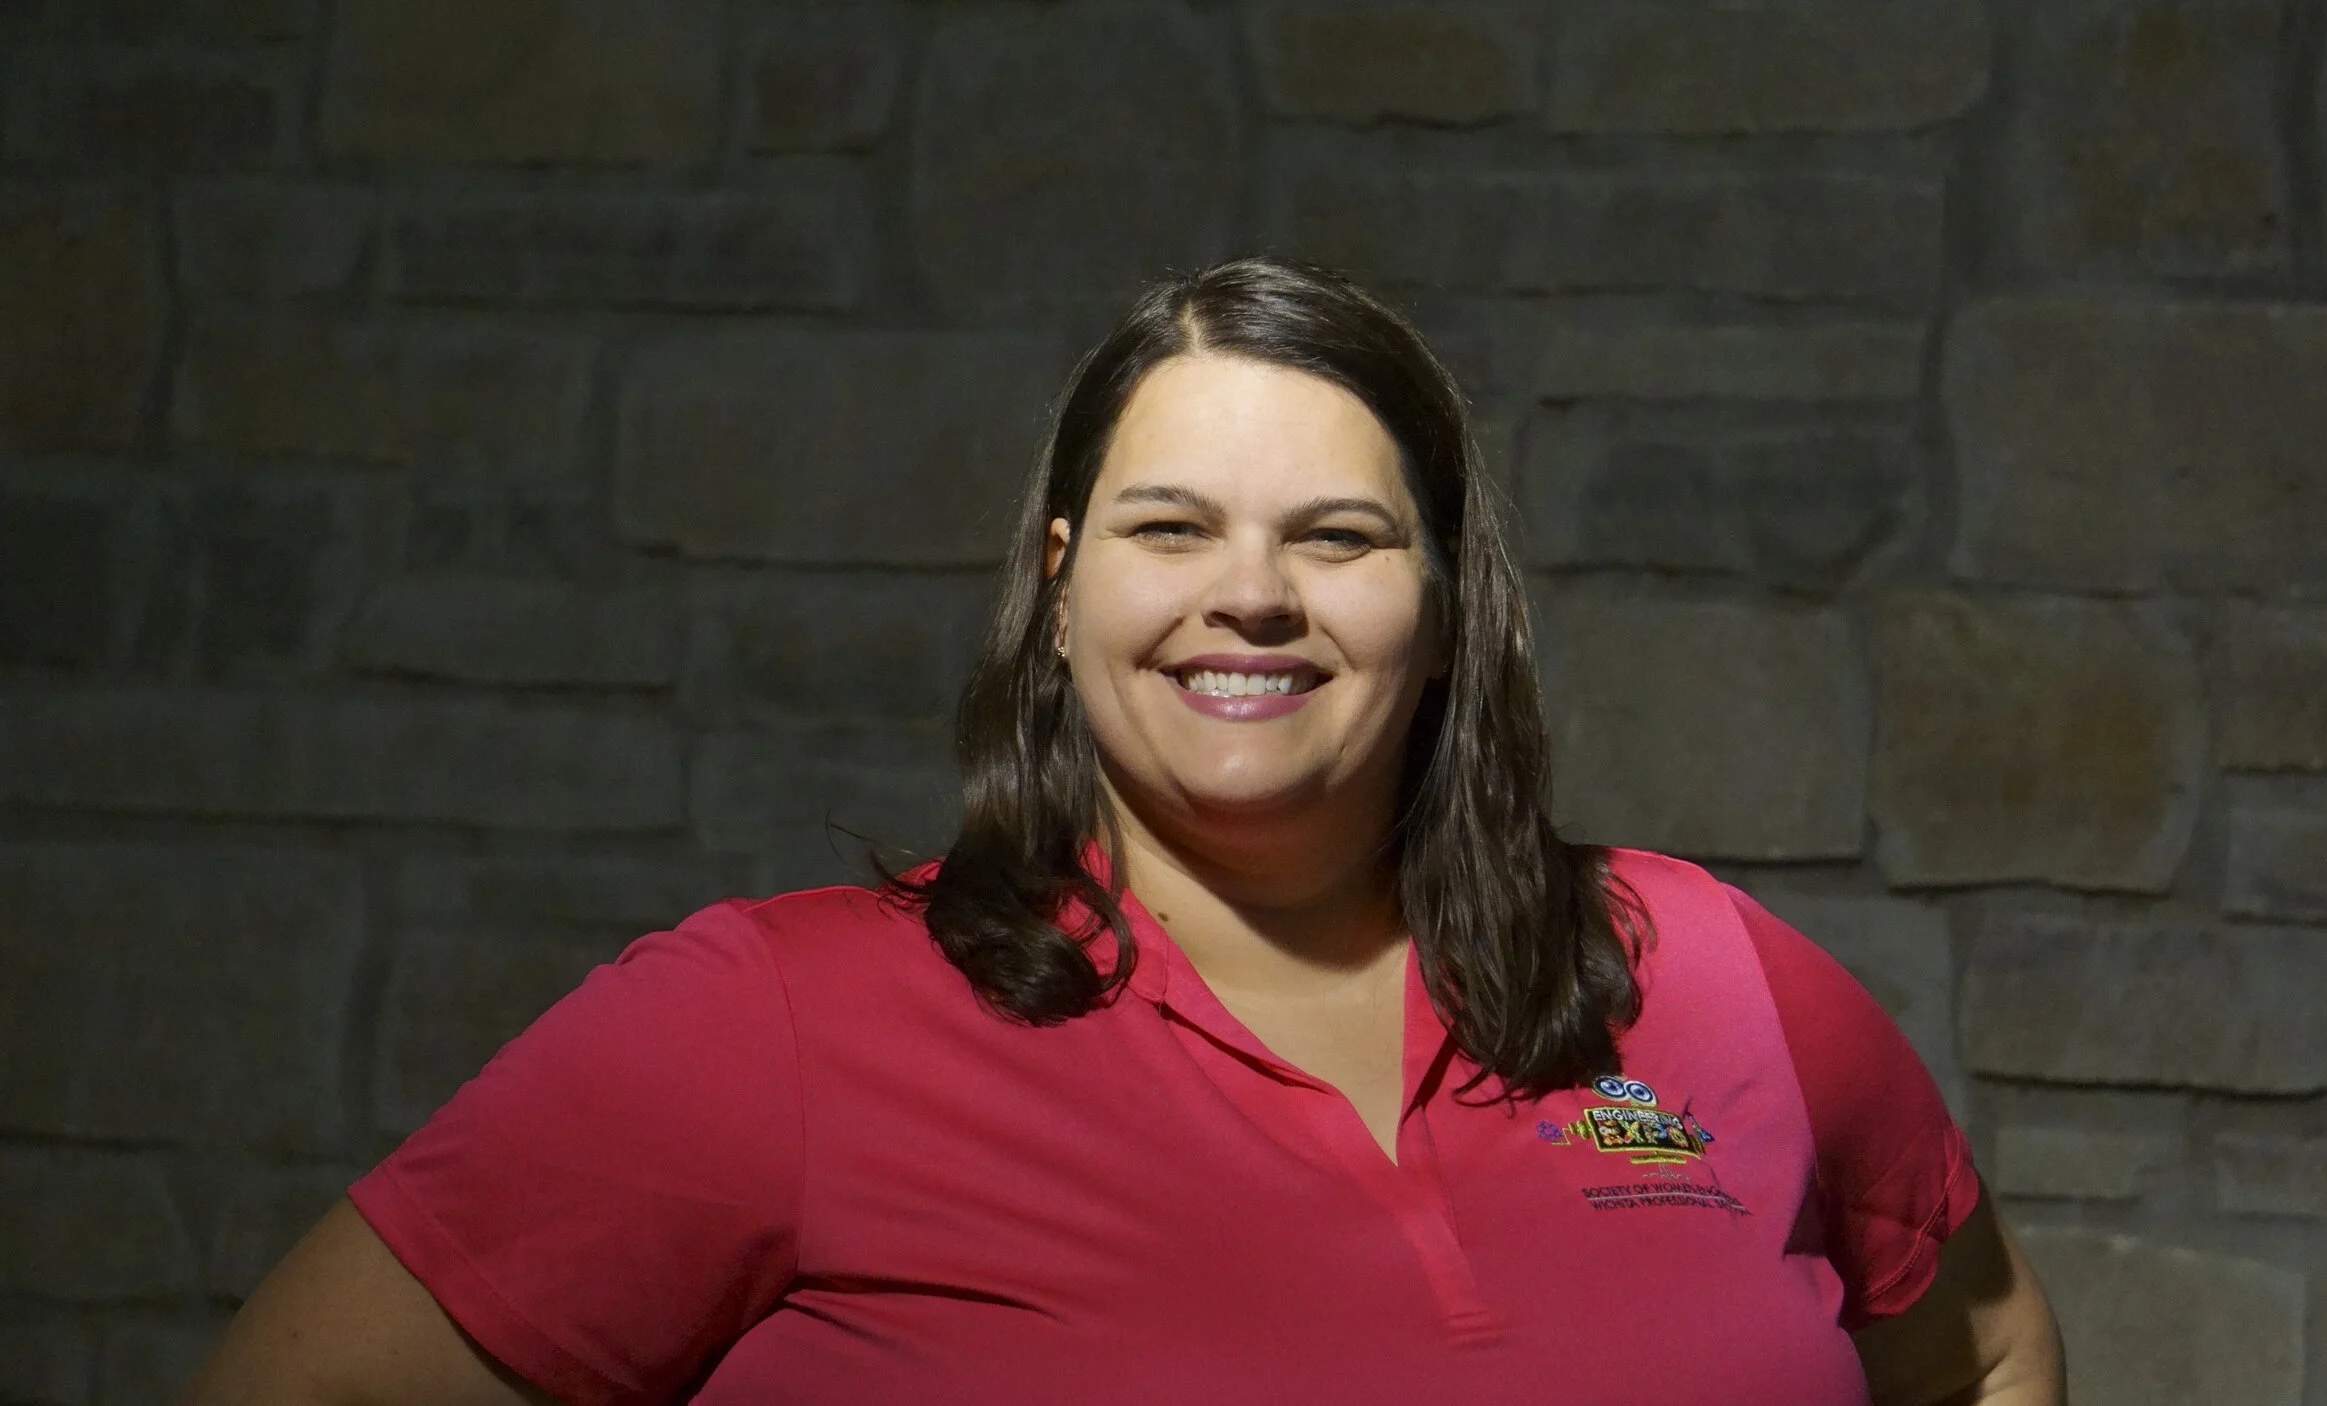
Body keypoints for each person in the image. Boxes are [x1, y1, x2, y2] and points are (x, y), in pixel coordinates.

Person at [186, 258, 2064, 1405]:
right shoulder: (769, 1023)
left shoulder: (1707, 974)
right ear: (1064, 586)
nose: (1251, 593)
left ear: (1445, 605)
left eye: (1337, 536)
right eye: (1173, 529)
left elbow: (1985, 1351)